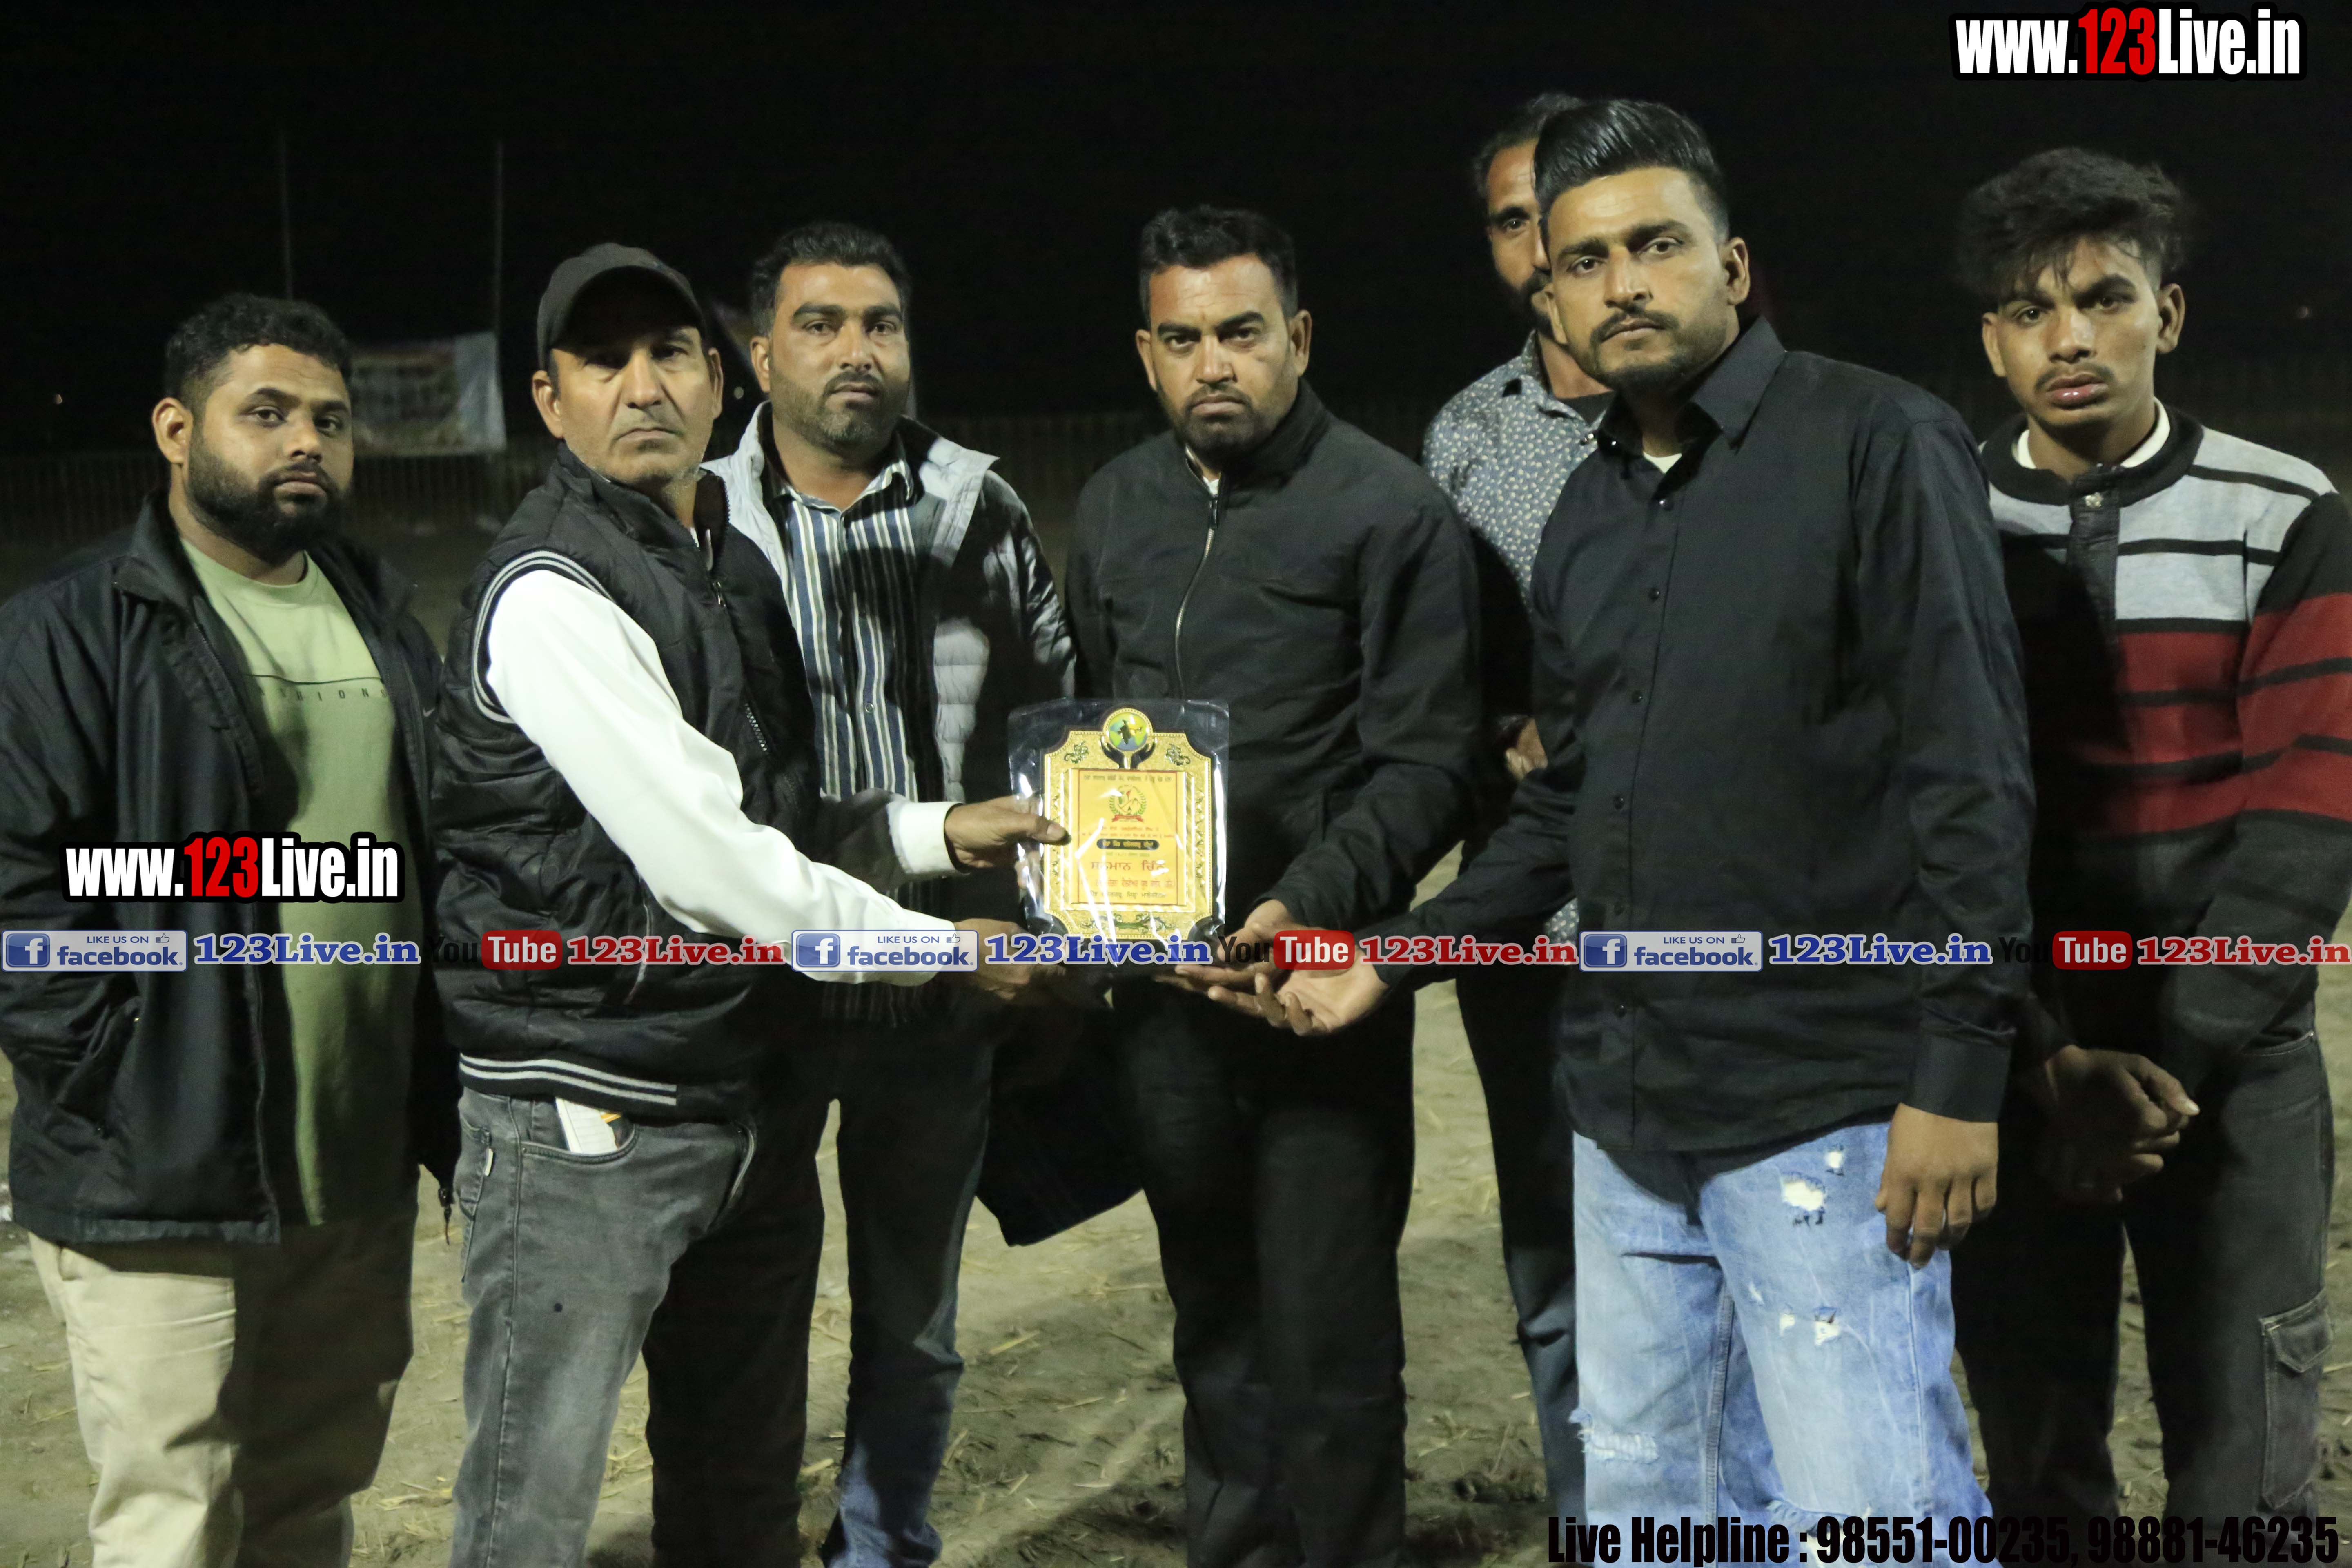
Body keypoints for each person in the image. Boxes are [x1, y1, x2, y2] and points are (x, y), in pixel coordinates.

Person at [1279, 101, 2031, 1528]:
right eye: (1586, 260)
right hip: (1624, 1116)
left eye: (1656, 245)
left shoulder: (1879, 443)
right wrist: (1397, 953)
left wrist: (1960, 1071)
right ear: (1549, 296)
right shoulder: (1587, 516)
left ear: (1731, 266)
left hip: (1827, 1111)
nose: (1622, 283)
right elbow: (1568, 802)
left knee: (1873, 1525)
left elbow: (1972, 774)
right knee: (1656, 1525)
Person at [432, 243, 1066, 1567]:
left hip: (735, 1098)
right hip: (586, 1116)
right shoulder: (552, 592)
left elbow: (768, 812)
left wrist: (936, 830)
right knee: (529, 1518)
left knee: (738, 1501)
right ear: (550, 401)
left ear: (720, 384)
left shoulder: (726, 566)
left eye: (670, 354)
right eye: (602, 361)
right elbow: (712, 869)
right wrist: (942, 950)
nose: (642, 386)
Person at [0, 294, 453, 1566]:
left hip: (351, 1170)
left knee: (311, 1499)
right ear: (175, 430)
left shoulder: (383, 616)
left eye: (330, 420)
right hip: (165, 1177)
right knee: (176, 1519)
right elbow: (21, 901)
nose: (306, 441)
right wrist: (126, 1069)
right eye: (267, 413)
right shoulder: (71, 630)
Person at [1061, 205, 1480, 1568]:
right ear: (1146, 354)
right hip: (1164, 998)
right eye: (1182, 340)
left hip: (1315, 993)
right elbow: (1092, 724)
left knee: (1329, 1331)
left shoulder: (1389, 510)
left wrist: (1306, 906)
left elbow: (1428, 763)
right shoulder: (1114, 506)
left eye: (1241, 333)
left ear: (1297, 337)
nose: (1214, 365)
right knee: (1215, 1319)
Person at [1949, 148, 2352, 1525]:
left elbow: (2311, 812)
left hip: (2234, 1065)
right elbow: (1923, 810)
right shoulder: (1935, 519)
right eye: (2030, 309)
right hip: (2012, 1048)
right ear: (1992, 341)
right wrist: (2044, 1054)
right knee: (2036, 1451)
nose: (2069, 337)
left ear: (2166, 314)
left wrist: (2165, 1066)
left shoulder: (2285, 510)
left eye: (2104, 298)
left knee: (2249, 1458)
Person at [703, 219, 1074, 1568]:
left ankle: (881, 1547)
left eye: (881, 323)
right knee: (742, 1309)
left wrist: (1042, 927)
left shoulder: (980, 506)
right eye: (820, 324)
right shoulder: (698, 519)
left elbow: (1052, 719)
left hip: (942, 981)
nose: (855, 349)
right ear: (760, 357)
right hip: (763, 986)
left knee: (913, 1321)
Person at [1419, 89, 1611, 1522]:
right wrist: (1497, 730)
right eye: (1510, 221)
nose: (1541, 245)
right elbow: (1445, 676)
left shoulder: (1752, 424)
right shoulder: (1468, 441)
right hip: (1527, 909)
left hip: (1711, 907)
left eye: (1566, 210)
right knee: (1551, 1248)